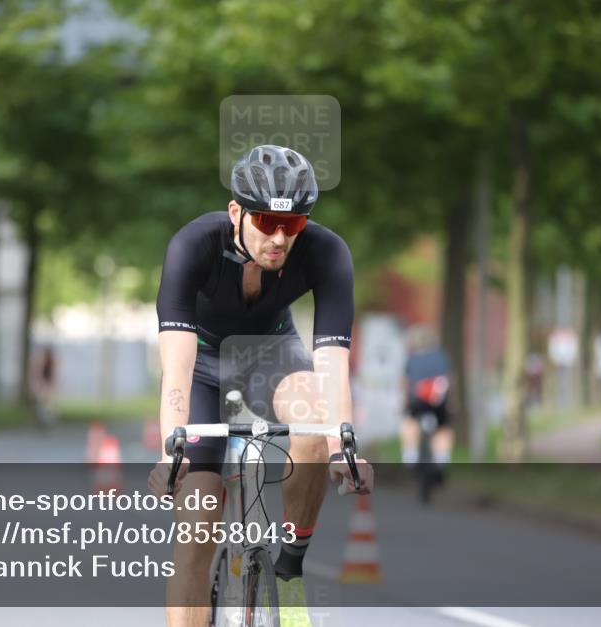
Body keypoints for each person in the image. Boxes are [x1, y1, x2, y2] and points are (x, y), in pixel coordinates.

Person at [148, 144, 374, 627]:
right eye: (267, 221)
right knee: (195, 533)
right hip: (203, 365)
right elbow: (178, 366)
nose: (278, 237)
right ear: (236, 211)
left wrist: (342, 443)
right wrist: (173, 449)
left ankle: (289, 567)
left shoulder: (327, 251)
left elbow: (332, 360)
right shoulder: (193, 245)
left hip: (270, 354)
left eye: (292, 225)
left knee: (315, 419)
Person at [400, 325, 455, 470]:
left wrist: (404, 403)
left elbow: (406, 384)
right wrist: (452, 402)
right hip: (439, 402)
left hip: (417, 401)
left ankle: (410, 453)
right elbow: (450, 381)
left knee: (410, 421)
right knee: (443, 427)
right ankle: (442, 457)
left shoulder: (411, 359)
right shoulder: (442, 356)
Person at [30, 345, 58, 426]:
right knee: (42, 401)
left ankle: (49, 418)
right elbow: (38, 373)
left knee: (48, 402)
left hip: (47, 383)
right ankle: (41, 418)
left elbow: (53, 374)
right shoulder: (42, 361)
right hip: (43, 383)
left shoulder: (51, 362)